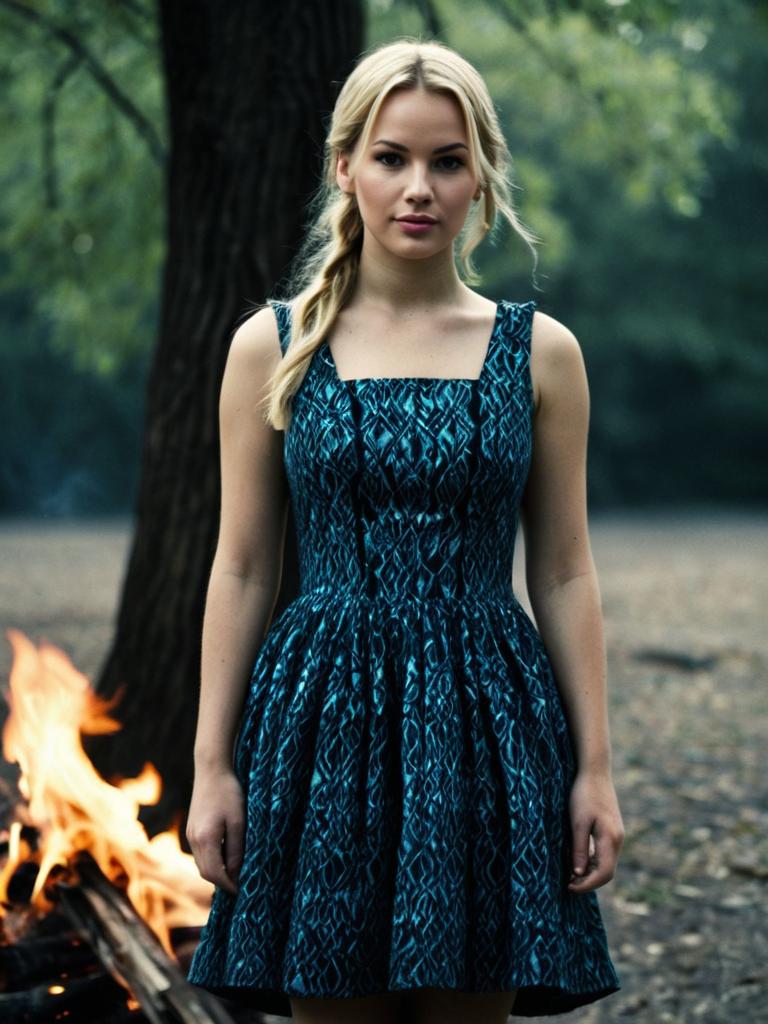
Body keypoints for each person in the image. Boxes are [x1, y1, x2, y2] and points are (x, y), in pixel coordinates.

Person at [185, 36, 624, 1024]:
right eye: (392, 157)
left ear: (482, 178)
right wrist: (213, 765)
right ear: (345, 167)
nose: (418, 187)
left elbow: (563, 571)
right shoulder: (274, 343)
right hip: (320, 721)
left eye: (447, 160)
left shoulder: (542, 354)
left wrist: (595, 768)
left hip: (490, 723)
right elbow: (244, 567)